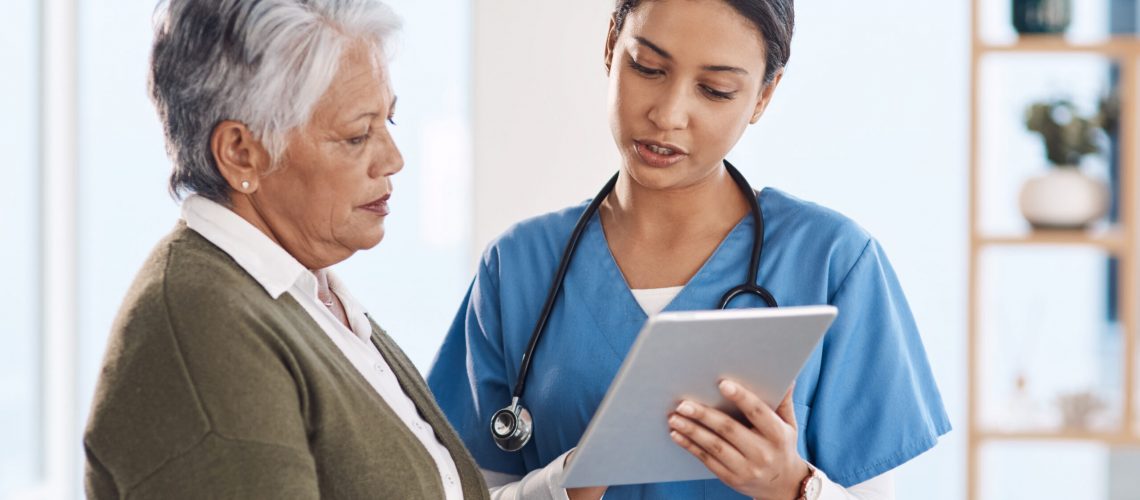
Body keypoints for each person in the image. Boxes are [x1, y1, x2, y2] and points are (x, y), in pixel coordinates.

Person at [427, 0, 951, 499]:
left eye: (716, 90)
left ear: (763, 97)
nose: (669, 113)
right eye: (649, 67)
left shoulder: (835, 262)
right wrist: (569, 482)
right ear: (611, 45)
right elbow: (459, 489)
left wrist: (789, 485)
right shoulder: (518, 267)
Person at [82, 1, 489, 498]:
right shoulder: (206, 326)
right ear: (240, 152)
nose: (393, 159)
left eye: (390, 122)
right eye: (357, 135)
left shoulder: (306, 295)